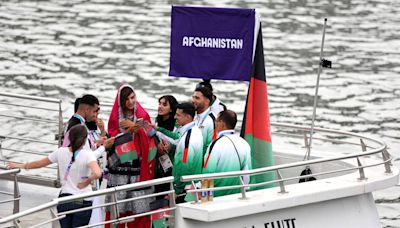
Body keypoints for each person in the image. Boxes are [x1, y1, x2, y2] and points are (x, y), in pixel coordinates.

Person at [7, 125, 102, 228]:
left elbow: (38, 164)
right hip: (83, 200)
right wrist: (86, 182)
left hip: (64, 200)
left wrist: (19, 165)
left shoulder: (60, 151)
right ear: (84, 140)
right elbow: (97, 173)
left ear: (69, 138)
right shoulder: (88, 155)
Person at [105, 83, 155, 228]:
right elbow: (112, 138)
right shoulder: (116, 117)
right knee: (118, 203)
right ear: (121, 101)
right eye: (126, 99)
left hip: (136, 166)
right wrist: (128, 131)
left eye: (132, 97)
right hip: (119, 166)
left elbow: (151, 134)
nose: (131, 102)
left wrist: (136, 129)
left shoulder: (142, 114)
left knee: (136, 202)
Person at [202, 110, 252, 197]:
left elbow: (208, 171)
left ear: (222, 123)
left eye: (216, 121)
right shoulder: (244, 143)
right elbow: (246, 174)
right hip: (237, 194)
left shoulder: (215, 144)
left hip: (217, 195)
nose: (215, 124)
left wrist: (205, 196)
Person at [173, 102, 203, 203]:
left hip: (185, 189)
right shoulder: (196, 130)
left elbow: (185, 166)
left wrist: (177, 190)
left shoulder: (188, 138)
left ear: (188, 117)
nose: (175, 117)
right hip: (193, 185)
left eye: (178, 115)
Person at [192, 86, 216, 155]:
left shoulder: (212, 120)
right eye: (193, 97)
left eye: (197, 98)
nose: (193, 101)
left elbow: (211, 147)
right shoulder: (193, 116)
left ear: (207, 101)